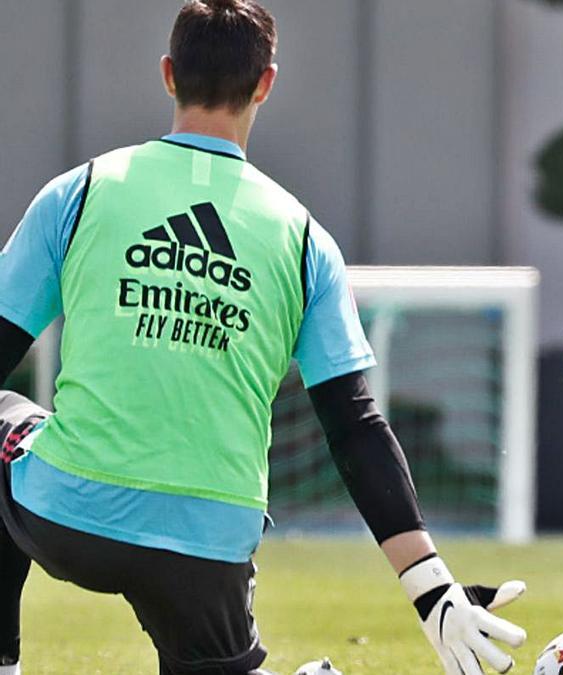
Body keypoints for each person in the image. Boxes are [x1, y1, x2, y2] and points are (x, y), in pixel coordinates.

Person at [0, 2, 525, 674]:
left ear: (168, 75)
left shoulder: (81, 191)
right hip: (210, 542)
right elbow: (355, 425)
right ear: (265, 83)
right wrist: (428, 586)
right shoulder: (304, 238)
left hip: (72, 512)